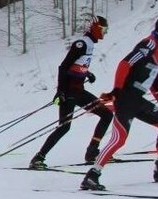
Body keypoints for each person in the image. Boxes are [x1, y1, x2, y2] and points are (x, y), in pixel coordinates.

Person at [83, 15, 158, 190]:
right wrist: (116, 90)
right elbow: (124, 64)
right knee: (119, 139)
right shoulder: (149, 44)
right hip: (126, 99)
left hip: (138, 99)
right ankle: (92, 175)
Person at [30, 17, 115, 169]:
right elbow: (63, 68)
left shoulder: (89, 45)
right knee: (64, 127)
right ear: (95, 28)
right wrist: (60, 92)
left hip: (79, 92)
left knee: (107, 114)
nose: (105, 33)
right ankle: (38, 158)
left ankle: (92, 151)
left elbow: (77, 65)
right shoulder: (81, 44)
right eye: (103, 30)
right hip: (69, 92)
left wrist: (87, 73)